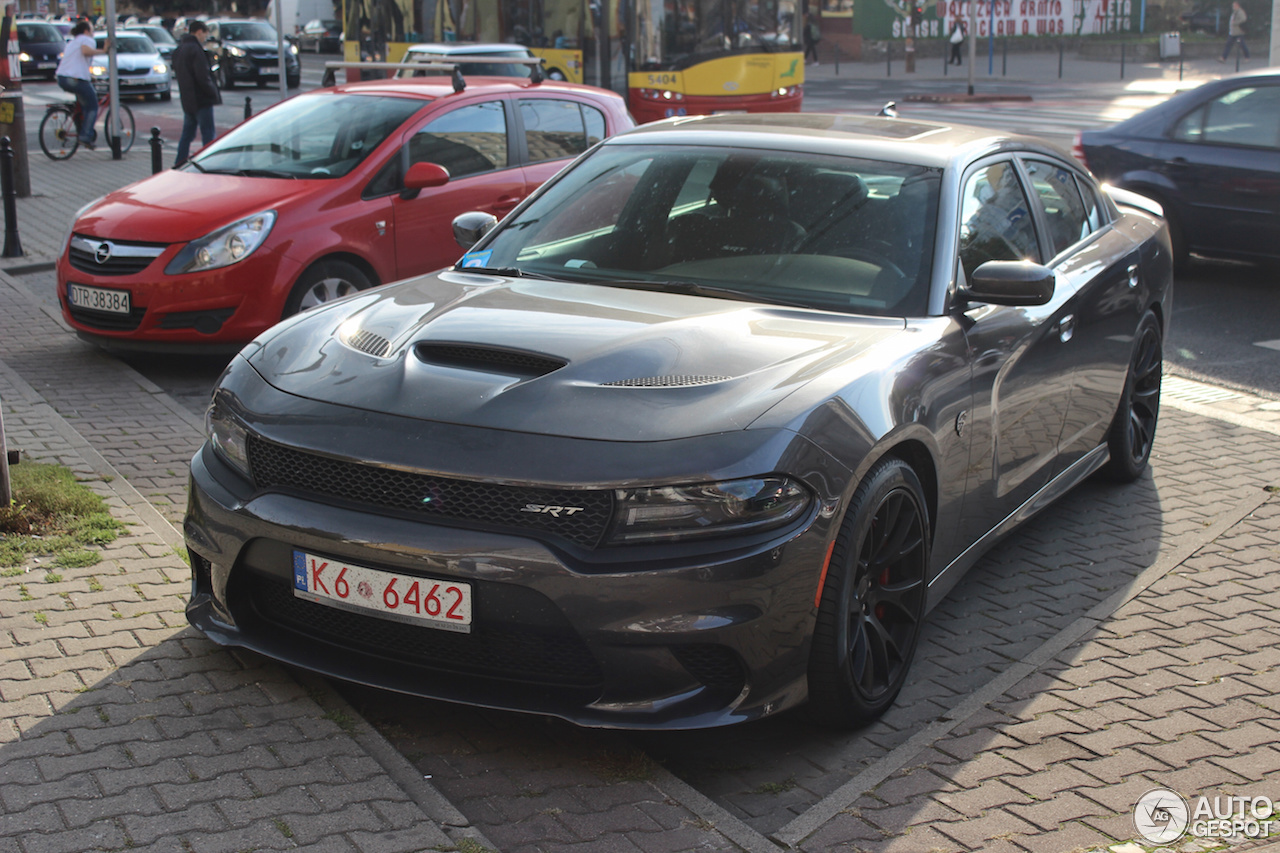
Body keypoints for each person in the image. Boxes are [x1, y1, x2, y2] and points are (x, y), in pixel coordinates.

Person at [171, 19, 221, 168]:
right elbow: (203, 76)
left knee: (187, 135)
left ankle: (179, 162)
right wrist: (213, 93)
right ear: (199, 32)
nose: (205, 39)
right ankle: (209, 163)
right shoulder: (195, 50)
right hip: (201, 98)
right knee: (208, 134)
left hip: (187, 99)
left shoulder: (179, 49)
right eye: (205, 35)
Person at [54, 20, 111, 150]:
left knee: (83, 103)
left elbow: (77, 62)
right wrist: (103, 50)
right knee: (92, 106)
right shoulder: (87, 39)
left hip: (62, 77)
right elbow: (86, 51)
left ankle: (81, 128)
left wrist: (90, 77)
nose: (93, 32)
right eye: (92, 29)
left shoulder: (72, 42)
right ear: (86, 31)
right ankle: (85, 137)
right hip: (75, 79)